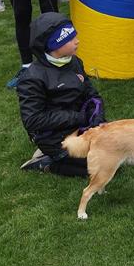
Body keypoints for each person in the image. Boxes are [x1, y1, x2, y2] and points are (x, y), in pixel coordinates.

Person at [17, 13, 106, 175]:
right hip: (54, 137)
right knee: (100, 166)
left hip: (82, 126)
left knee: (115, 152)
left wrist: (97, 115)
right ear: (54, 45)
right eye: (70, 39)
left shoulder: (75, 61)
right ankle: (47, 164)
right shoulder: (32, 78)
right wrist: (77, 117)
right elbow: (33, 120)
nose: (77, 41)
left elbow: (91, 93)